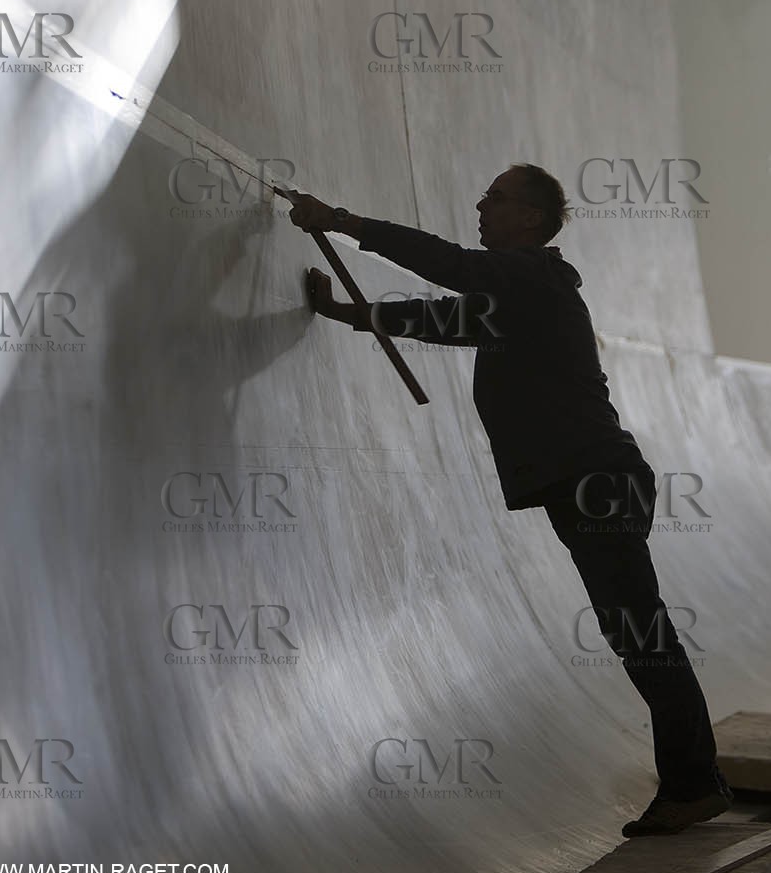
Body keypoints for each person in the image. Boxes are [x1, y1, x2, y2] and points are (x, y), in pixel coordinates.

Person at [281, 164, 730, 836]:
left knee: (641, 633)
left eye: (496, 197)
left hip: (596, 482)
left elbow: (449, 267)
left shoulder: (533, 278)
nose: (482, 204)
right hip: (591, 481)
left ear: (529, 217)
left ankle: (695, 784)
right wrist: (349, 312)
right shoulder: (519, 296)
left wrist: (345, 223)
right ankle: (695, 781)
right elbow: (441, 317)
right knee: (636, 630)